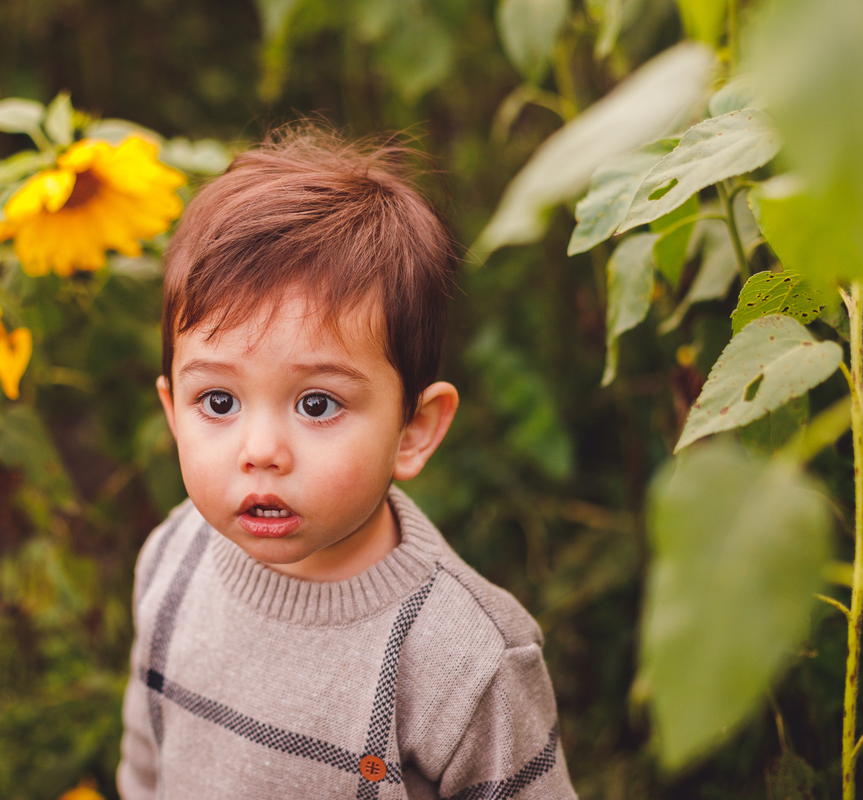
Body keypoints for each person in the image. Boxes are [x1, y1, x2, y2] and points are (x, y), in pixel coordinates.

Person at [117, 127, 576, 799]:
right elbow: (146, 763)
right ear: (171, 411)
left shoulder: (465, 657)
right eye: (218, 401)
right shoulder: (170, 561)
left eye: (317, 404)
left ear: (413, 430)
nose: (260, 451)